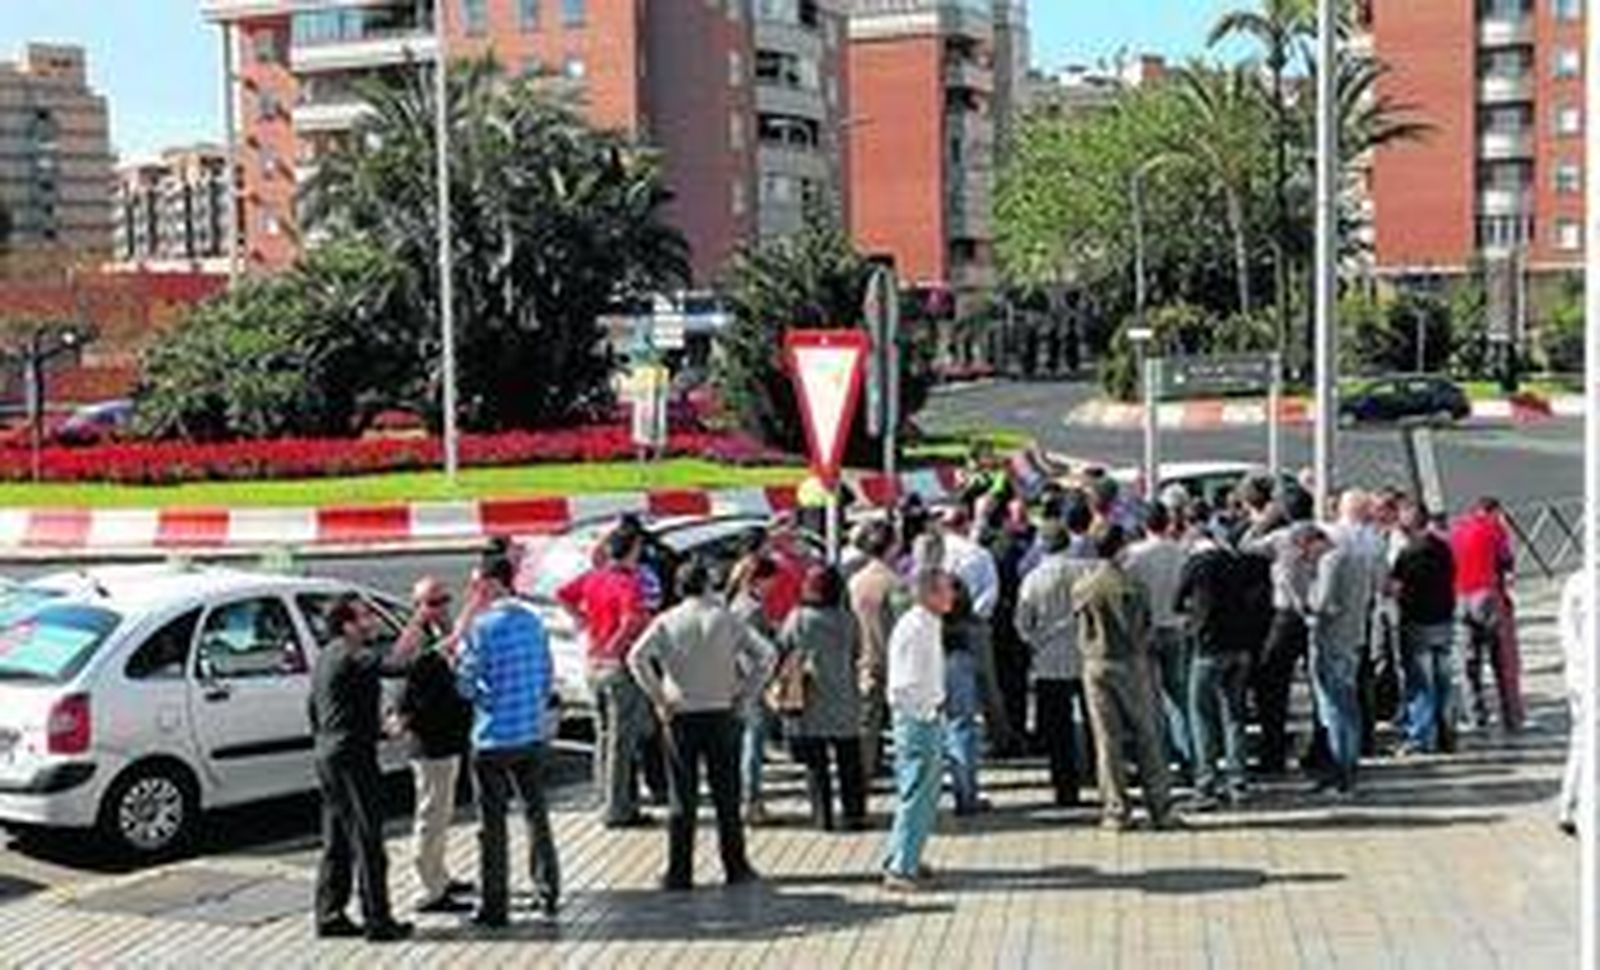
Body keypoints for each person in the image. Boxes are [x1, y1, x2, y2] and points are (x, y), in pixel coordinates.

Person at [628, 559, 774, 891]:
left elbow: (635, 657)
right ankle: (735, 866)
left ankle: (680, 871)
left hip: (681, 712)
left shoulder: (667, 621)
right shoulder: (727, 619)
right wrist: (746, 694)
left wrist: (659, 697)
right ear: (708, 585)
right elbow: (766, 655)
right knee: (727, 793)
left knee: (683, 794)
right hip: (723, 710)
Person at [455, 553, 562, 927]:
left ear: (490, 583)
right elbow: (547, 675)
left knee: (493, 825)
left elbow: (464, 685)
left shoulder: (481, 628)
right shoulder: (533, 622)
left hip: (492, 737)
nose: (471, 590)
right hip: (530, 733)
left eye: (475, 583)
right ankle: (548, 890)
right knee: (537, 815)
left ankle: (494, 906)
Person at [308, 594, 419, 942]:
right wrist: (419, 626)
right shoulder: (352, 652)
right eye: (364, 617)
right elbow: (397, 665)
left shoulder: (327, 655)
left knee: (337, 839)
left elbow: (315, 707)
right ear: (347, 625)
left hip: (329, 754)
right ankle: (378, 921)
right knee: (368, 838)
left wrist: (374, 728)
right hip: (352, 759)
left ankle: (329, 914)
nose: (371, 621)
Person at [1073, 524, 1179, 831]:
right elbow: (1144, 628)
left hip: (1094, 662)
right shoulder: (1133, 585)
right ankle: (1160, 806)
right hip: (1131, 662)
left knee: (1107, 740)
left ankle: (1116, 810)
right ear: (1121, 547)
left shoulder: (1083, 586)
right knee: (1147, 735)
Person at [558, 529, 654, 829]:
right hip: (617, 666)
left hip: (593, 662)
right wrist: (617, 642)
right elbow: (632, 620)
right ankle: (617, 808)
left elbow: (563, 594)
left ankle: (603, 796)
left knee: (602, 733)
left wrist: (583, 621)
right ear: (632, 550)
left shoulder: (593, 577)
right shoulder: (629, 583)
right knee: (621, 741)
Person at [392, 577, 476, 914]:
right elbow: (409, 691)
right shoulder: (416, 640)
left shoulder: (437, 634)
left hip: (446, 740)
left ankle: (439, 875)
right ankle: (428, 889)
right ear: (419, 606)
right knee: (430, 815)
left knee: (441, 815)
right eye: (433, 602)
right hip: (431, 744)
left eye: (444, 600)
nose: (441, 607)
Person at [882, 566, 956, 892]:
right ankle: (901, 868)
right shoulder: (916, 627)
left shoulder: (927, 623)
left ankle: (903, 855)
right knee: (916, 793)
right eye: (946, 589)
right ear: (929, 594)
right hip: (917, 719)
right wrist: (925, 714)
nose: (952, 595)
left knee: (923, 795)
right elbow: (904, 684)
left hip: (925, 716)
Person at [1015, 522, 1097, 807]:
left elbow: (1023, 625)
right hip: (1086, 655)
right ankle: (1100, 776)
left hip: (1049, 663)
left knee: (1059, 731)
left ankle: (1066, 788)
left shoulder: (1033, 579)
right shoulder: (1087, 571)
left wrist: (1037, 640)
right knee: (1094, 722)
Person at [779, 565, 866, 831]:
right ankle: (854, 814)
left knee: (817, 765)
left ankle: (823, 816)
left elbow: (783, 646)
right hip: (845, 695)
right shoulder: (847, 619)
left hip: (812, 697)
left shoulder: (799, 619)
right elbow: (857, 651)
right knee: (849, 760)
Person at [1177, 525, 1254, 809]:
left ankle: (1206, 784)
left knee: (1201, 716)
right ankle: (1238, 782)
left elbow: (1177, 601)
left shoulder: (1196, 565)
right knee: (1234, 715)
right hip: (1241, 647)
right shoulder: (1237, 562)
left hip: (1209, 648)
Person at [1124, 502, 1193, 773]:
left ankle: (1159, 758)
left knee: (1149, 699)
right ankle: (1188, 756)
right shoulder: (1181, 553)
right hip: (1175, 626)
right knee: (1179, 698)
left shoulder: (1135, 556)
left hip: (1147, 629)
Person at [1390, 502, 1458, 755]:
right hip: (1444, 620)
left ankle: (1421, 737)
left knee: (1420, 683)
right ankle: (1447, 734)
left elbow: (1394, 588)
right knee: (1443, 681)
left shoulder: (1408, 553)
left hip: (1417, 622)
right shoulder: (1443, 547)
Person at [1451, 498, 1524, 732]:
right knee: (1502, 660)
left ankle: (1476, 716)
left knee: (1468, 661)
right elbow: (1507, 562)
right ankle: (1511, 718)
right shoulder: (1495, 529)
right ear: (1494, 511)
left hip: (1460, 598)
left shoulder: (1457, 529)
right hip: (1488, 596)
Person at [1302, 524, 1363, 797]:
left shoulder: (1329, 560)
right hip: (1352, 638)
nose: (1307, 558)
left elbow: (1322, 602)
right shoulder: (1355, 558)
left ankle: (1341, 774)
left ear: (1315, 542)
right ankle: (1349, 769)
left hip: (1331, 640)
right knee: (1350, 709)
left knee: (1335, 711)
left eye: (1306, 551)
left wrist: (1308, 595)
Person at [850, 520, 903, 781]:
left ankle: (863, 771)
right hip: (894, 660)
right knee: (903, 723)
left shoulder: (855, 581)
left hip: (863, 658)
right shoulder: (895, 583)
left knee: (867, 721)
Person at [728, 555, 779, 825]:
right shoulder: (750, 609)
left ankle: (747, 799)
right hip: (750, 685)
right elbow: (754, 653)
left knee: (748, 743)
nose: (774, 586)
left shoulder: (738, 603)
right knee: (752, 744)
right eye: (771, 581)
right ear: (760, 579)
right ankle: (751, 802)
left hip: (738, 682)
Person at [942, 578, 987, 816]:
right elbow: (985, 668)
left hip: (934, 673)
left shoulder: (930, 625)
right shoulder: (973, 627)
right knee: (963, 732)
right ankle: (966, 794)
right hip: (961, 671)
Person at [1559, 568, 1589, 838]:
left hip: (1579, 677)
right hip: (1587, 679)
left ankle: (1569, 806)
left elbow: (1566, 634)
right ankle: (1578, 810)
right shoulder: (1582, 584)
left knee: (1581, 741)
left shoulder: (1576, 581)